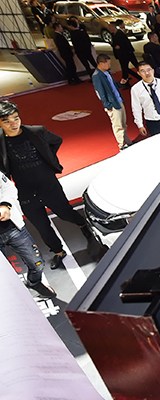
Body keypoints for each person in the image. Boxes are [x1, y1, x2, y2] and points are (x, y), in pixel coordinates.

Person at [0, 101, 96, 271]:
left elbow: (56, 141)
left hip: (48, 184)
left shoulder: (37, 131)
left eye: (16, 118)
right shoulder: (0, 143)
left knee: (65, 213)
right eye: (7, 121)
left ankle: (83, 224)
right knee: (42, 226)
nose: (13, 124)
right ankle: (58, 252)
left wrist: (49, 159)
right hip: (25, 191)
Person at [0, 170, 56, 298]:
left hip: (13, 228)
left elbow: (7, 186)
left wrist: (5, 204)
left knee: (37, 264)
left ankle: (34, 282)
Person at [92, 54, 133, 150]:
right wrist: (108, 105)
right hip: (113, 103)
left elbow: (112, 86)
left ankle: (126, 141)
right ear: (101, 63)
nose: (109, 65)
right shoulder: (97, 76)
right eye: (108, 63)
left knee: (123, 123)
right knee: (118, 124)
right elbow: (100, 92)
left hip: (118, 100)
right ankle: (121, 144)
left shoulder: (106, 73)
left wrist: (120, 84)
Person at [131, 62, 160, 137]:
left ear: (153, 70)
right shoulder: (136, 89)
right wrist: (140, 125)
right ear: (138, 73)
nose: (147, 73)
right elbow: (136, 108)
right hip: (153, 123)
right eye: (142, 71)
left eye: (149, 69)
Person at [108, 21, 141, 88]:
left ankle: (126, 80)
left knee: (128, 67)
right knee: (125, 68)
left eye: (110, 27)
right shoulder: (113, 34)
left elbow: (125, 43)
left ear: (114, 27)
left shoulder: (119, 34)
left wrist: (119, 46)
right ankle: (129, 80)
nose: (109, 28)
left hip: (126, 53)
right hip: (122, 54)